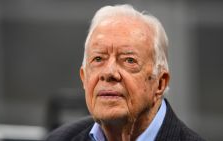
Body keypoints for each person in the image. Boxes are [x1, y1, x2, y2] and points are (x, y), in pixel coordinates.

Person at [46, 4, 205, 141]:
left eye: (129, 60)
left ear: (160, 83)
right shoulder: (59, 138)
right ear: (84, 78)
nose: (109, 73)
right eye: (98, 59)